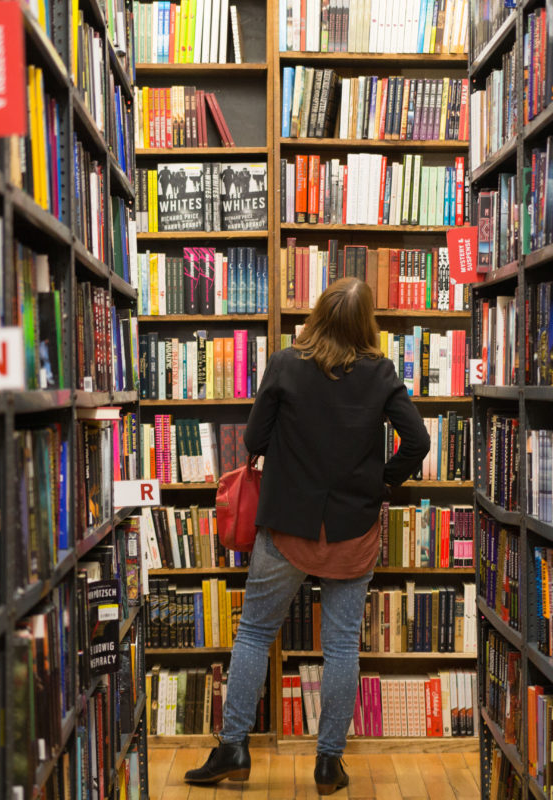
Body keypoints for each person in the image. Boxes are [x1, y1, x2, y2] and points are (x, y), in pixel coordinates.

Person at [184, 277, 430, 795]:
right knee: (340, 646)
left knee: (254, 633)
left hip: (287, 526)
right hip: (352, 529)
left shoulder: (284, 363)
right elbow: (419, 441)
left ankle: (232, 748)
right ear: (367, 325)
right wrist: (383, 481)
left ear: (317, 315)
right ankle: (327, 764)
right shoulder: (381, 372)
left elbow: (253, 440)